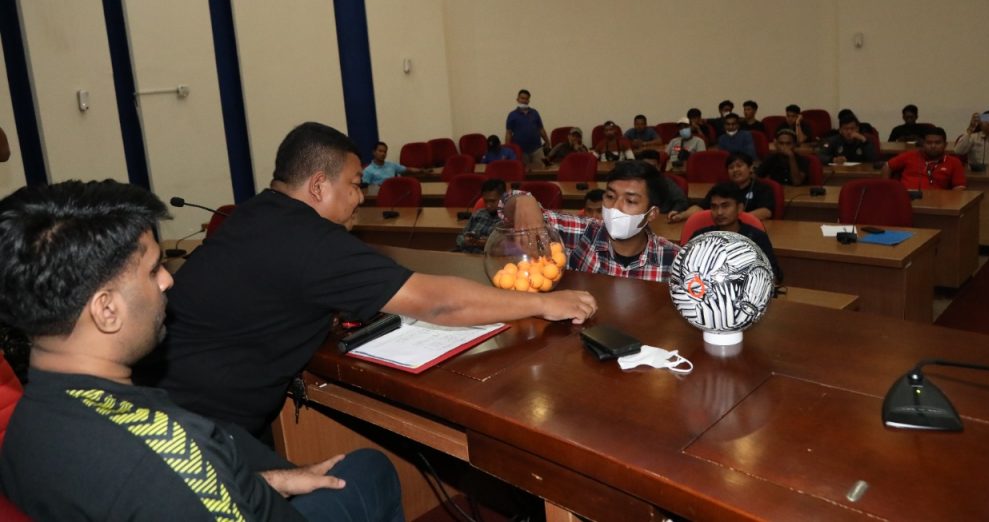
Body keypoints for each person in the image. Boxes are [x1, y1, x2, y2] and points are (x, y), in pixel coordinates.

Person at [139, 123, 596, 438]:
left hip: (156, 406)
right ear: (319, 186)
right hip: (198, 435)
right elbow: (439, 304)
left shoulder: (251, 214)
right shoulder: (311, 240)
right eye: (355, 184)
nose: (361, 196)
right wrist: (543, 304)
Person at [0, 179, 404, 521]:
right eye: (153, 270)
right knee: (370, 470)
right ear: (106, 310)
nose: (167, 281)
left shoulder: (25, 423)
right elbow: (171, 479)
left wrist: (267, 482)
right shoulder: (168, 450)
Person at [503, 160, 680, 282]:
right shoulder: (583, 233)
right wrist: (524, 202)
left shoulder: (674, 259)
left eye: (630, 201)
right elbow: (505, 205)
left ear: (652, 214)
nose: (615, 207)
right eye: (610, 196)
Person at [691, 182, 783, 283]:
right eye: (714, 207)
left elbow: (773, 275)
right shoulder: (701, 237)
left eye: (725, 206)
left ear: (739, 208)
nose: (719, 212)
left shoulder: (757, 237)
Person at [883, 127, 966, 191]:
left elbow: (960, 187)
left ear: (945, 144)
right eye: (929, 143)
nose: (933, 146)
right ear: (923, 144)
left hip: (938, 202)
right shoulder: (909, 155)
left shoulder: (954, 162)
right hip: (906, 198)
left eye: (937, 143)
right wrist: (886, 188)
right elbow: (888, 166)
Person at [636, 150, 690, 222]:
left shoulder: (666, 182)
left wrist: (675, 211)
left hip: (662, 220)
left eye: (653, 167)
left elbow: (682, 201)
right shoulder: (633, 184)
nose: (649, 170)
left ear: (659, 166)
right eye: (646, 167)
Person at [455, 179, 506, 253]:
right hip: (466, 254)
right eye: (485, 201)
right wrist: (465, 241)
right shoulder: (478, 214)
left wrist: (488, 244)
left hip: (486, 257)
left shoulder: (508, 220)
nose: (488, 205)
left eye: (492, 201)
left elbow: (508, 248)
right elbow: (459, 237)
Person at [505, 89, 550, 167]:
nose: (524, 101)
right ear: (517, 99)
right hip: (520, 150)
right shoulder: (512, 115)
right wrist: (507, 148)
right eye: (522, 98)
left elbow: (541, 129)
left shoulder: (535, 113)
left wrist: (547, 141)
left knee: (541, 171)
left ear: (529, 100)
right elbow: (509, 133)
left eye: (526, 99)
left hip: (537, 149)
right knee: (523, 171)